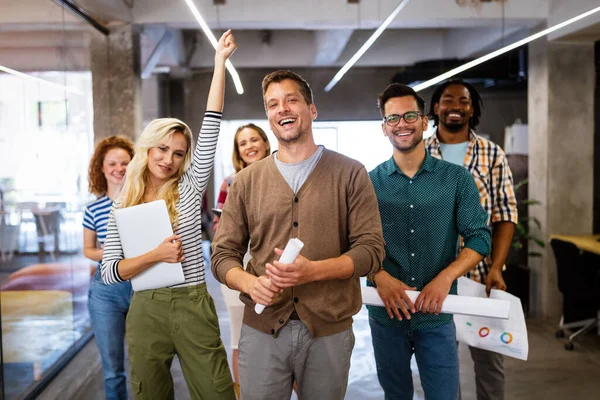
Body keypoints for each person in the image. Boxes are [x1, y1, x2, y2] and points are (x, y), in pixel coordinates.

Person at [211, 69, 385, 400]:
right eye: (273, 104)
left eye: (292, 100)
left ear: (311, 109)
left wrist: (313, 271)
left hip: (329, 331)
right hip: (262, 330)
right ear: (268, 116)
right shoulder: (245, 182)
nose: (283, 109)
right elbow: (222, 255)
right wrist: (250, 284)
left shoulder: (350, 173)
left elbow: (372, 250)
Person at [100, 30, 237, 400]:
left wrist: (219, 63)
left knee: (217, 392)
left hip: (192, 303)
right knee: (149, 394)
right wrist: (155, 256)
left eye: (178, 153)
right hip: (145, 309)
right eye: (162, 149)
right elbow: (110, 271)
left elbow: (212, 121)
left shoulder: (189, 188)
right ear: (147, 149)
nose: (168, 159)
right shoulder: (123, 204)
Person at [367, 83, 492, 400]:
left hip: (436, 315)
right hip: (386, 315)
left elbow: (479, 237)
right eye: (393, 118)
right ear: (384, 128)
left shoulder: (456, 178)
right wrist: (378, 276)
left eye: (410, 115)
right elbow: (351, 243)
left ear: (425, 121)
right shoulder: (368, 183)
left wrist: (445, 278)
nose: (402, 124)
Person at [425, 79, 517, 400]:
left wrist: (498, 267)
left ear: (472, 109)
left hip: (480, 279)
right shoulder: (419, 153)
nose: (455, 106)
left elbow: (504, 215)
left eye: (463, 101)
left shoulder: (492, 154)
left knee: (490, 364)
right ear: (435, 109)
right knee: (439, 365)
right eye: (447, 100)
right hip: (431, 280)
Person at [213, 123, 271, 395]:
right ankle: (242, 393)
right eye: (242, 143)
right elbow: (219, 231)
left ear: (265, 142)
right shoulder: (230, 183)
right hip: (238, 266)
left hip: (276, 264)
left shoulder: (281, 176)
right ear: (238, 151)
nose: (249, 146)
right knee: (239, 336)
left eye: (254, 139)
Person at [83, 136, 134, 400]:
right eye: (112, 163)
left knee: (145, 365)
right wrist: (111, 254)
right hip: (105, 291)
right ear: (101, 168)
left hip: (141, 286)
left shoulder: (142, 203)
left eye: (125, 162)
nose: (119, 168)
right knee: (113, 370)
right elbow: (88, 249)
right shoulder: (93, 209)